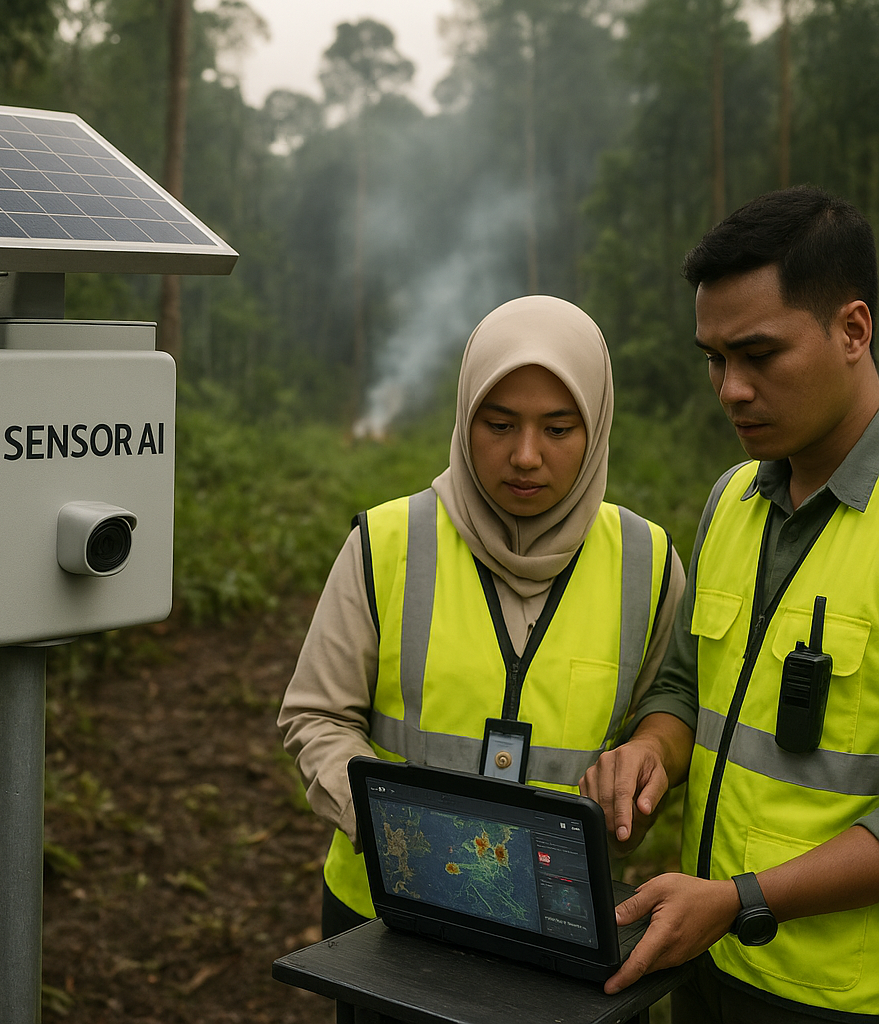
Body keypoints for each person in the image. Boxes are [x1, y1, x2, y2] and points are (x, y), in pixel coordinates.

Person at [278, 295, 686, 961]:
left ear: (598, 427)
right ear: (464, 418)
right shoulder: (387, 543)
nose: (525, 456)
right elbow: (316, 715)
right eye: (498, 425)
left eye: (558, 429)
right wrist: (391, 832)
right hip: (384, 920)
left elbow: (666, 717)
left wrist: (643, 775)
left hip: (557, 922)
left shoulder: (648, 563)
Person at [580, 185, 879, 1022]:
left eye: (758, 355)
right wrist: (653, 752)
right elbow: (686, 685)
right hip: (703, 967)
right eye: (714, 358)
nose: (730, 390)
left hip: (839, 998)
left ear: (853, 330)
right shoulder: (732, 500)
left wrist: (742, 900)